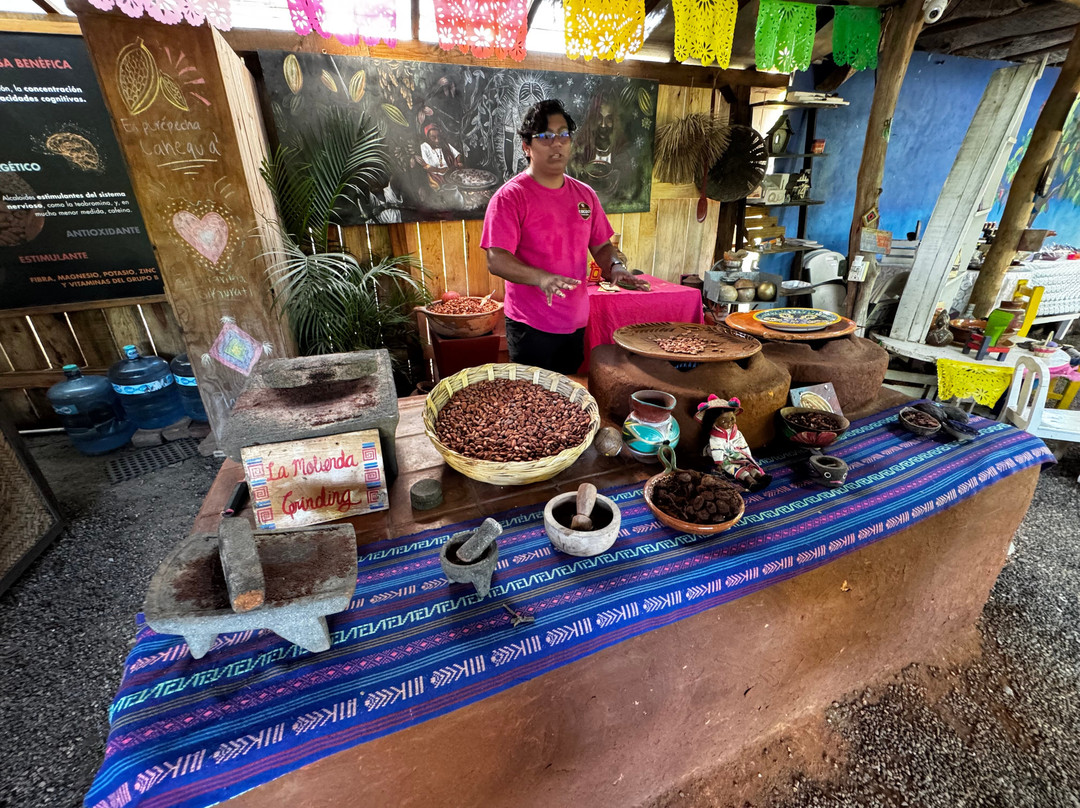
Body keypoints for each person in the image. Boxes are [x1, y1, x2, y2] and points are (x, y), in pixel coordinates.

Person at [481, 99, 647, 375]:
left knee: (568, 393)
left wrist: (616, 266)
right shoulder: (510, 197)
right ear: (526, 146)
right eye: (546, 136)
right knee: (532, 398)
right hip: (529, 326)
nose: (557, 143)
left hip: (574, 322)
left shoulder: (585, 195)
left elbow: (601, 246)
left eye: (563, 135)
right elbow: (496, 259)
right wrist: (541, 278)